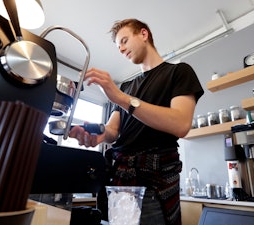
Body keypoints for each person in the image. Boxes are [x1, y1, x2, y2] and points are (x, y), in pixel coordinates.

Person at [69, 18, 204, 225]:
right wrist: (97, 135)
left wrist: (120, 98)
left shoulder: (178, 72)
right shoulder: (126, 86)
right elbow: (113, 131)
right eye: (118, 47)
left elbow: (181, 124)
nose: (121, 49)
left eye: (124, 41)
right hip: (118, 180)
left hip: (153, 184)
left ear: (143, 34)